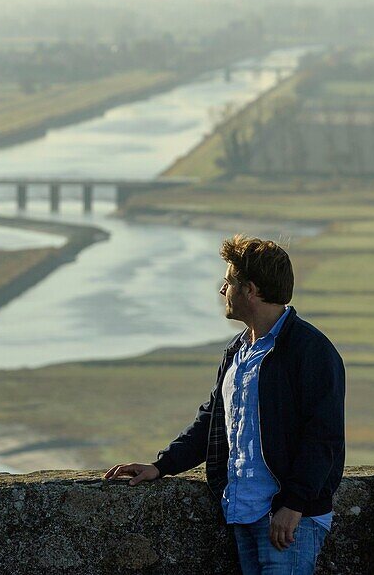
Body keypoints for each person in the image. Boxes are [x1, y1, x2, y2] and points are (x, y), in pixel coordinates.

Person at [104, 235, 345, 575]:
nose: (222, 290)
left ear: (250, 290)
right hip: (244, 512)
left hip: (290, 520)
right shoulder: (238, 351)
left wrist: (294, 504)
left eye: (229, 281)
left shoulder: (310, 351)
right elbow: (213, 422)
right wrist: (162, 465)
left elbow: (323, 437)